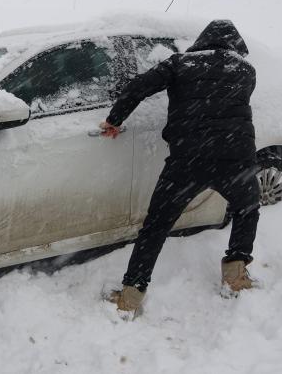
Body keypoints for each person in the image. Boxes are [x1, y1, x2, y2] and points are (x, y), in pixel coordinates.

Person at [100, 20, 260, 315]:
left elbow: (138, 87)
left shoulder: (181, 64)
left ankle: (131, 295)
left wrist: (115, 119)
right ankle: (236, 276)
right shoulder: (246, 71)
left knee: (156, 226)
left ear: (202, 40)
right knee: (247, 209)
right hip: (235, 159)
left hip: (189, 161)